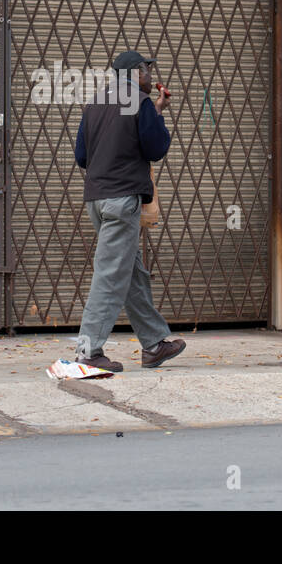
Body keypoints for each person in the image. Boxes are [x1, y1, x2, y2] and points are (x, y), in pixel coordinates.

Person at [71, 50, 186, 371]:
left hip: (97, 199)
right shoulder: (139, 101)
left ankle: (154, 344)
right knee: (110, 273)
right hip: (122, 200)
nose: (151, 76)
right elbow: (156, 148)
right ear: (136, 73)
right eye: (148, 70)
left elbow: (82, 156)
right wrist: (156, 114)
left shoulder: (94, 103)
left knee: (131, 270)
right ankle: (88, 351)